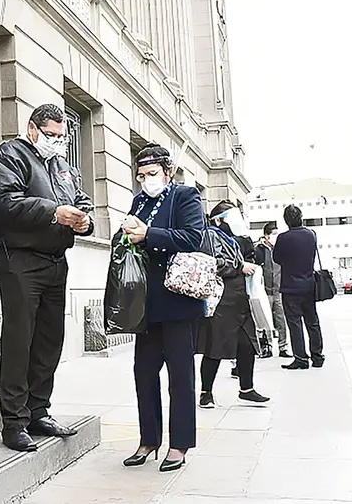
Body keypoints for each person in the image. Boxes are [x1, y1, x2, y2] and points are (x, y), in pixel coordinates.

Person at [0, 103, 94, 452]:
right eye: (50, 135)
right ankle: (13, 422)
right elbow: (3, 200)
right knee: (20, 341)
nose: (56, 142)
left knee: (49, 341)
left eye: (62, 136)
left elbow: (82, 201)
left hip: (56, 262)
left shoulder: (62, 167)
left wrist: (85, 221)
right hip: (20, 260)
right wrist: (53, 212)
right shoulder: (10, 155)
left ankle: (37, 410)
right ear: (32, 129)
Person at [119, 144, 205, 473]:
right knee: (144, 372)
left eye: (152, 174)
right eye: (140, 175)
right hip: (147, 302)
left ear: (168, 172)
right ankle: (149, 438)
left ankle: (180, 444)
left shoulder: (184, 196)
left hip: (179, 301)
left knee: (180, 377)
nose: (146, 180)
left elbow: (192, 237)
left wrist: (149, 234)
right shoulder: (140, 200)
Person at [197, 200, 271, 410]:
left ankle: (246, 389)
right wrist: (240, 266)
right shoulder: (210, 235)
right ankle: (206, 392)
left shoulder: (237, 239)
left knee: (246, 345)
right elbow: (211, 263)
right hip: (222, 300)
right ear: (220, 220)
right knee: (215, 347)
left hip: (240, 299)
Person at [272, 204, 325, 370]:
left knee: (294, 323)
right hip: (309, 284)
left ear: (286, 220)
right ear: (301, 217)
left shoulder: (283, 238)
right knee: (312, 321)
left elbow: (277, 258)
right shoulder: (311, 234)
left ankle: (301, 358)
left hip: (290, 286)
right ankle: (317, 356)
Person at [254, 222, 291, 358]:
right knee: (265, 320)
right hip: (265, 290)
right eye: (273, 234)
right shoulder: (258, 249)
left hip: (279, 289)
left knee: (281, 319)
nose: (275, 237)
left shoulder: (280, 249)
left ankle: (283, 347)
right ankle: (266, 346)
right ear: (266, 235)